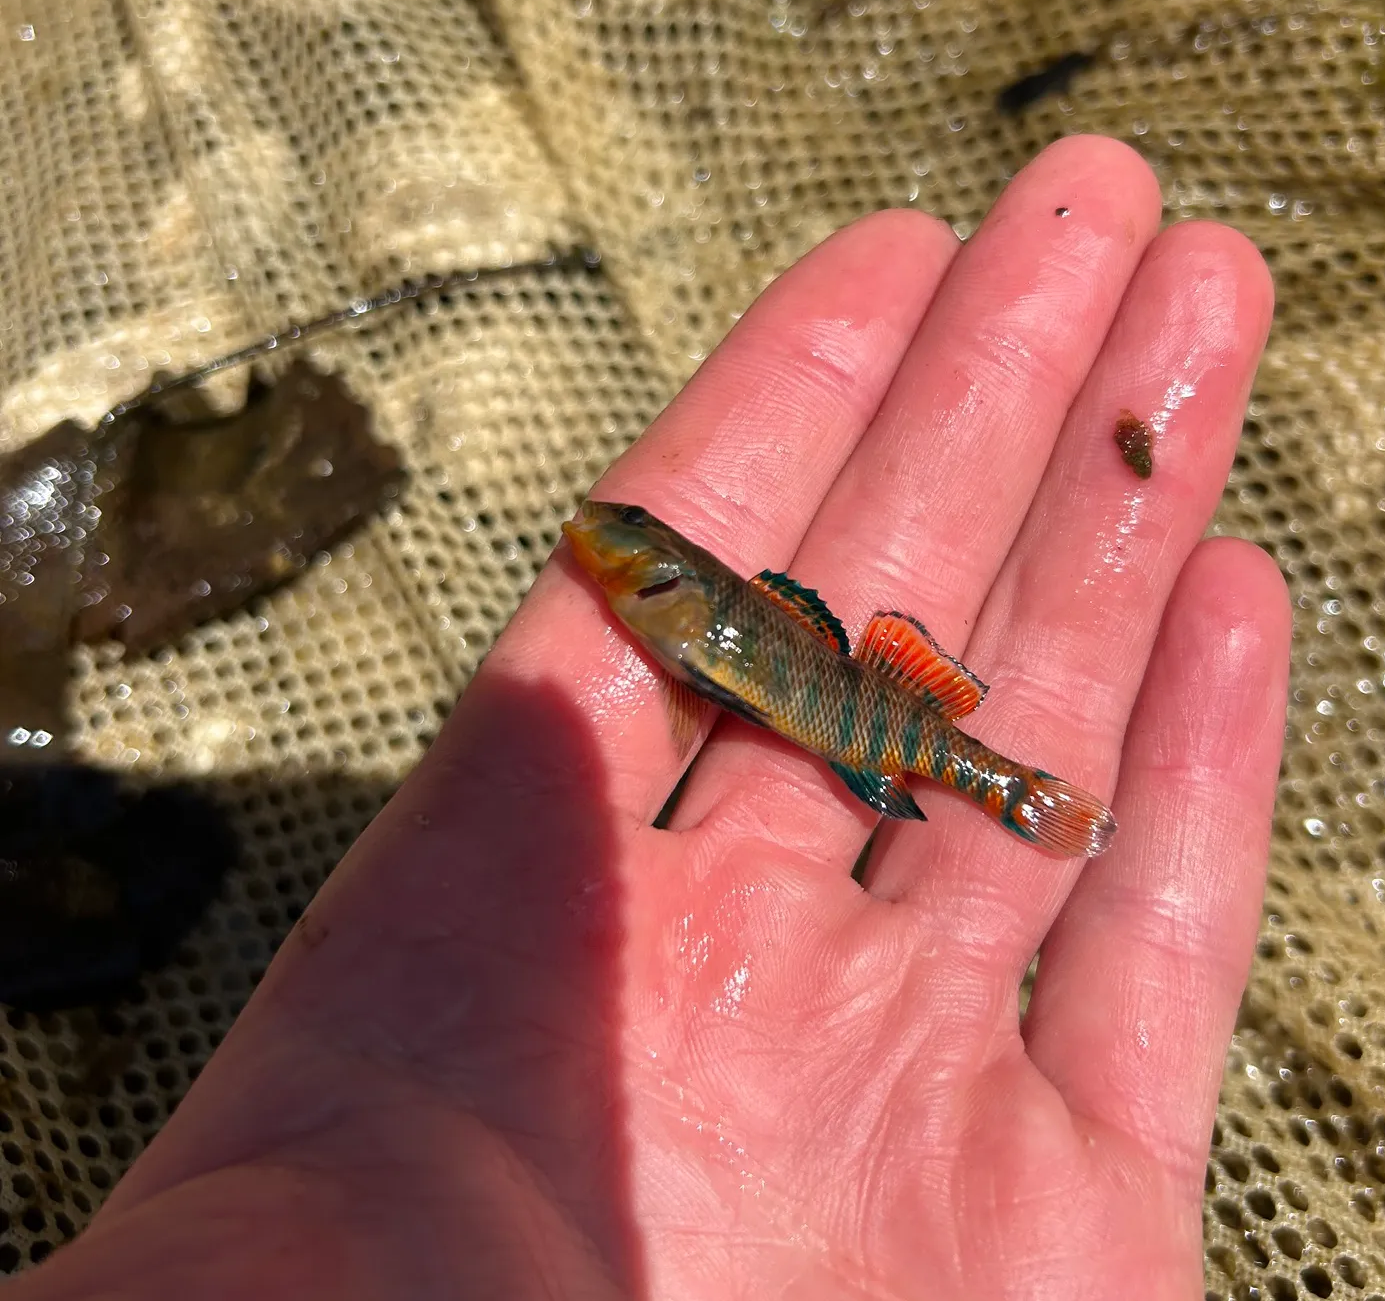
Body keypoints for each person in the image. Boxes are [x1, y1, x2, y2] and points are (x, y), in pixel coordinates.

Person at [17, 135, 1290, 1300]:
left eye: (630, 543)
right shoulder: (677, 614)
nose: (605, 542)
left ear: (664, 582)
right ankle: (1018, 793)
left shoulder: (679, 608)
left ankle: (1021, 795)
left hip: (873, 720)